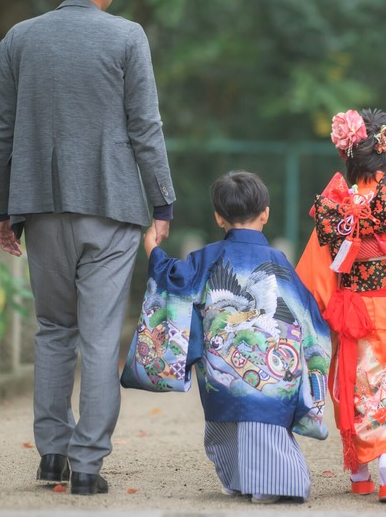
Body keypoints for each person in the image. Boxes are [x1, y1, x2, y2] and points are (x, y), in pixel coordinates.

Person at [0, 0, 176, 496]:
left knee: (52, 330)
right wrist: (161, 202)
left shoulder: (19, 39)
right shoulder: (127, 38)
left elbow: (1, 130)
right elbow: (145, 126)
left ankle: (52, 454)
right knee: (98, 338)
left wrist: (2, 207)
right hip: (113, 210)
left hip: (40, 208)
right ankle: (89, 465)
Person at [123, 171, 331, 504]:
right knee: (266, 415)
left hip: (222, 370)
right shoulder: (279, 263)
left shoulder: (205, 258)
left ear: (219, 218)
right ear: (265, 213)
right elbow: (309, 316)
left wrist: (152, 248)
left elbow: (172, 279)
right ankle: (272, 482)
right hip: (272, 373)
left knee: (225, 423)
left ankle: (238, 480)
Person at [296, 108, 386, 504]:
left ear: (349, 156)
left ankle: (360, 473)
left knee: (355, 386)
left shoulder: (336, 203)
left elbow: (316, 271)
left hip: (351, 310)